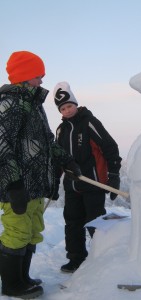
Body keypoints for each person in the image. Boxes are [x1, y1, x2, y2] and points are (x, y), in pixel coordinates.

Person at [0, 52, 81, 299]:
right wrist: (13, 184)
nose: (41, 81)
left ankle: (23, 278)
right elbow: (2, 145)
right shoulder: (9, 103)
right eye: (38, 76)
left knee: (32, 230)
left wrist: (66, 160)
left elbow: (46, 140)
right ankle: (12, 284)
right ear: (25, 76)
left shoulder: (34, 105)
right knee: (17, 231)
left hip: (34, 185)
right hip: (18, 185)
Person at [53, 81, 122, 273]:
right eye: (63, 108)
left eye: (69, 106)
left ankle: (102, 258)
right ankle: (76, 258)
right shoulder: (61, 130)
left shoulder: (89, 122)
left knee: (95, 222)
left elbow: (110, 147)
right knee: (73, 222)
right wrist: (54, 181)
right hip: (72, 186)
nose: (67, 110)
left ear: (76, 104)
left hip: (93, 183)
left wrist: (113, 174)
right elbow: (58, 158)